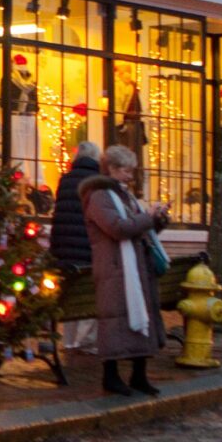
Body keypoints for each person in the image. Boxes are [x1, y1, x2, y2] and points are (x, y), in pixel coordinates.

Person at [81, 144, 168, 397]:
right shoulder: (99, 196)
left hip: (135, 267)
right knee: (115, 321)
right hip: (114, 268)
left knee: (140, 317)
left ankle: (138, 374)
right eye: (127, 171)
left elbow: (139, 228)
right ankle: (111, 375)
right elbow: (117, 228)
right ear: (112, 169)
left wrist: (158, 219)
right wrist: (148, 218)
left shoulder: (124, 195)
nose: (131, 176)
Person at [47, 140, 103, 355]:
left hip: (63, 249)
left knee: (70, 294)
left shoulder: (65, 179)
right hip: (88, 248)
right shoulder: (98, 183)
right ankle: (86, 341)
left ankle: (69, 341)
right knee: (91, 294)